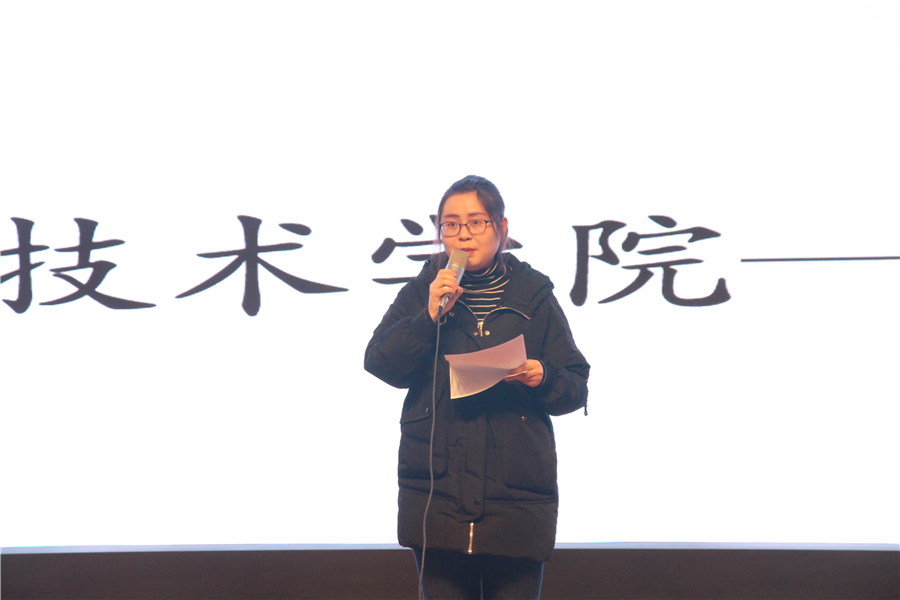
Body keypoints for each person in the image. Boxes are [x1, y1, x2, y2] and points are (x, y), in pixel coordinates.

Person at [364, 175, 590, 599]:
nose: (463, 234)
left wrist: (543, 375)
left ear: (501, 228)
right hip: (438, 491)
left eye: (476, 222)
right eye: (451, 224)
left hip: (516, 495)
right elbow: (379, 362)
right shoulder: (424, 289)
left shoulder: (534, 294)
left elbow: (576, 384)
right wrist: (427, 317)